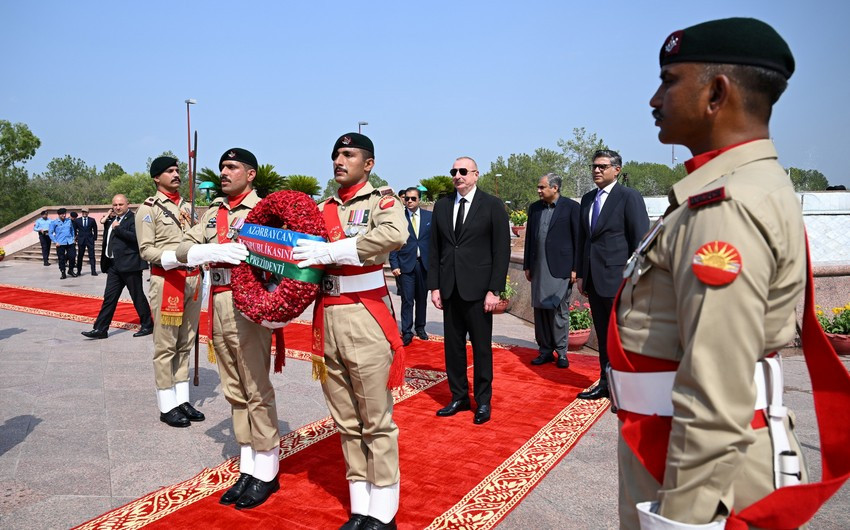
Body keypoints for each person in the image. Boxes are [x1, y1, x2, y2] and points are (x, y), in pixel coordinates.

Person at [610, 18, 833, 529]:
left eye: (669, 81)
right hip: (672, 446)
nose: (654, 99)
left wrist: (682, 520)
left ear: (716, 93)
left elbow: (716, 392)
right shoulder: (738, 187)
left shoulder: (725, 207)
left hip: (699, 475)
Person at [293, 133, 407, 530]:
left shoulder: (381, 201)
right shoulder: (321, 208)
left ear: (368, 164)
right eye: (336, 155)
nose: (339, 161)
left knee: (375, 419)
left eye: (348, 154)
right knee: (345, 419)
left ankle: (384, 511)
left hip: (364, 315)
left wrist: (333, 251)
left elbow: (394, 235)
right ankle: (362, 506)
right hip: (327, 316)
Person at [175, 148, 278, 510]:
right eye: (222, 166)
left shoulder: (263, 210)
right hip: (218, 301)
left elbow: (280, 258)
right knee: (234, 390)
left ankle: (267, 470)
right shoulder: (213, 212)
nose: (224, 172)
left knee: (255, 388)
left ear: (250, 174)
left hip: (249, 303)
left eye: (232, 167)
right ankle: (248, 467)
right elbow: (183, 245)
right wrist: (204, 252)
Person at [428, 156, 510, 425]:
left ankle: (483, 401)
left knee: (481, 349)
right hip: (450, 289)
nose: (457, 175)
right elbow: (435, 249)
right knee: (453, 348)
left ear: (476, 174)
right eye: (454, 171)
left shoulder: (492, 205)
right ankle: (459, 396)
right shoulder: (442, 206)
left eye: (463, 171)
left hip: (479, 291)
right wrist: (434, 286)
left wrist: (494, 290)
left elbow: (501, 251)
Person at [135, 156, 204, 429]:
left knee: (186, 341)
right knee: (166, 345)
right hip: (168, 281)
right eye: (169, 171)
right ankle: (166, 404)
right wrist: (175, 257)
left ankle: (182, 398)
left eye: (177, 170)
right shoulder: (148, 209)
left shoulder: (188, 207)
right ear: (156, 177)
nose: (176, 174)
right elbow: (145, 250)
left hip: (193, 280)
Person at [575, 150, 648, 401]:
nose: (596, 170)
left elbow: (640, 241)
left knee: (622, 336)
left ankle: (626, 391)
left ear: (617, 170)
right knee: (604, 335)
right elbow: (584, 240)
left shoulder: (628, 197)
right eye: (594, 166)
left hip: (619, 280)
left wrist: (636, 279)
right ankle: (606, 384)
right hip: (594, 280)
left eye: (602, 166)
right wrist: (581, 273)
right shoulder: (587, 199)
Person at [524, 173, 580, 369]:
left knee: (559, 311)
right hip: (538, 268)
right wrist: (527, 265)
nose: (538, 190)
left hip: (561, 269)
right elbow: (529, 239)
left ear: (555, 188)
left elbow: (578, 239)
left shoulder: (571, 207)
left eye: (542, 187)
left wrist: (576, 268)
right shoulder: (534, 208)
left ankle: (562, 353)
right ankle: (545, 351)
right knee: (540, 310)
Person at [81, 194, 153, 339]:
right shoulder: (113, 220)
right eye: (115, 205)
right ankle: (101, 329)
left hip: (130, 265)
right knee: (109, 298)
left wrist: (118, 229)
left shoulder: (134, 219)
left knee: (137, 296)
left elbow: (137, 238)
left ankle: (147, 325)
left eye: (120, 204)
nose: (117, 207)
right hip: (114, 266)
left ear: (127, 204)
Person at [389, 186, 432, 346]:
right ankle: (407, 331)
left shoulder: (429, 217)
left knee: (422, 299)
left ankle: (420, 328)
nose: (409, 201)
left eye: (413, 198)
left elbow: (435, 242)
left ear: (419, 199)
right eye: (407, 198)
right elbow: (394, 242)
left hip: (424, 265)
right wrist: (394, 264)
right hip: (405, 266)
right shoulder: (399, 218)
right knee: (407, 300)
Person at [49, 207, 78, 279]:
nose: (64, 215)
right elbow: (50, 233)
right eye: (62, 214)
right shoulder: (54, 222)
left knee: (72, 256)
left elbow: (72, 230)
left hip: (70, 242)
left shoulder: (69, 221)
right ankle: (63, 272)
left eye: (65, 214)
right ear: (59, 215)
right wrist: (55, 241)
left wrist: (73, 238)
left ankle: (70, 270)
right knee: (61, 258)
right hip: (60, 243)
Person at [73, 207, 98, 276]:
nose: (84, 213)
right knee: (80, 256)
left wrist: (94, 237)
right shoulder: (77, 220)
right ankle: (79, 271)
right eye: (83, 212)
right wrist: (76, 237)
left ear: (88, 213)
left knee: (92, 255)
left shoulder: (92, 220)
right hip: (81, 240)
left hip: (90, 239)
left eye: (86, 212)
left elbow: (95, 229)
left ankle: (93, 271)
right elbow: (74, 229)